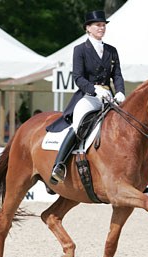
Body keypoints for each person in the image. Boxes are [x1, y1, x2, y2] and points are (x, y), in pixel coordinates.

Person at [50, 10, 125, 184]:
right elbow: (78, 77)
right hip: (89, 97)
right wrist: (94, 89)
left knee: (125, 125)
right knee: (78, 126)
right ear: (88, 28)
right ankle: (59, 165)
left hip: (109, 97)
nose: (102, 27)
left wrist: (120, 91)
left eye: (103, 25)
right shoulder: (80, 49)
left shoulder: (111, 51)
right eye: (98, 25)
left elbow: (118, 75)